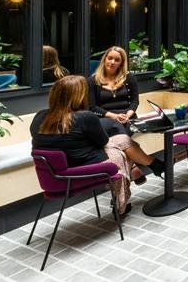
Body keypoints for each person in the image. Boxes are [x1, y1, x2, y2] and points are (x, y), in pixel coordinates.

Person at [30, 75, 164, 216]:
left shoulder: (39, 116)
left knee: (122, 139)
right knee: (122, 153)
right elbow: (103, 143)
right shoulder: (84, 117)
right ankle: (121, 205)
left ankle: (154, 164)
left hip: (54, 171)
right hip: (81, 168)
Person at [88, 46, 139, 136]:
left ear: (121, 63)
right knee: (119, 134)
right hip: (105, 118)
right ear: (104, 59)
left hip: (127, 118)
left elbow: (135, 101)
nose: (112, 62)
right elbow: (92, 106)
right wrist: (114, 116)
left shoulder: (129, 78)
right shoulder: (92, 80)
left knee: (124, 134)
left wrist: (127, 115)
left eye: (117, 60)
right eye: (110, 58)